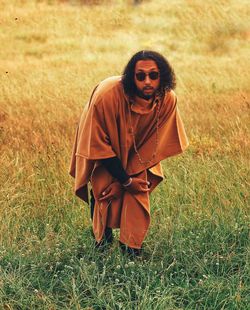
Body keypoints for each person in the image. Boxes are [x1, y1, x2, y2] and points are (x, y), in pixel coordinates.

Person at [69, 50, 188, 256]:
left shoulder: (168, 100)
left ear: (163, 77)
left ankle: (131, 249)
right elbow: (98, 146)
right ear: (132, 78)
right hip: (102, 142)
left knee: (139, 187)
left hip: (137, 151)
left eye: (154, 75)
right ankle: (102, 245)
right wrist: (124, 181)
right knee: (102, 187)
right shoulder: (106, 96)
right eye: (140, 76)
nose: (148, 81)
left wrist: (127, 182)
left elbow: (153, 143)